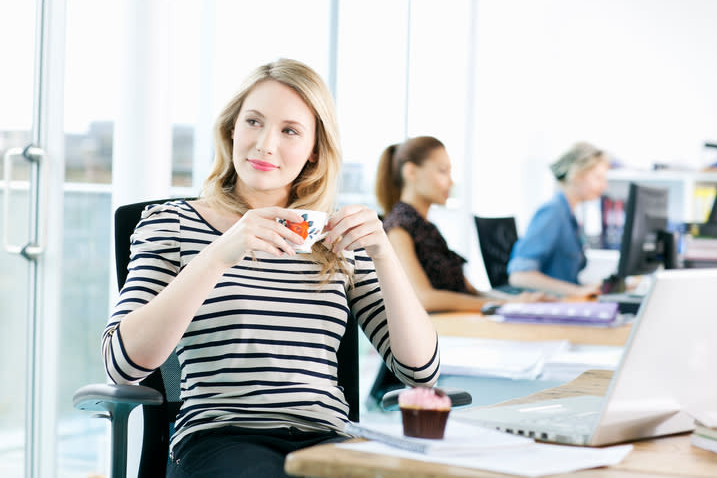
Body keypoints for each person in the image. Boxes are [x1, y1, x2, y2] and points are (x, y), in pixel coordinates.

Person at [102, 59, 440, 478]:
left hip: (329, 438)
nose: (264, 144)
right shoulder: (170, 222)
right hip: (221, 438)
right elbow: (123, 363)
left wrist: (384, 255)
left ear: (314, 149)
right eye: (254, 122)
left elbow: (420, 371)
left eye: (290, 130)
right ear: (231, 129)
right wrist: (221, 253)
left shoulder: (333, 237)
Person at [375, 136, 549, 312]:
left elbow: (471, 291)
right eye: (442, 171)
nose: (450, 182)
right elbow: (424, 298)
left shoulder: (427, 228)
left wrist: (519, 300)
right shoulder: (398, 228)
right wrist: (505, 305)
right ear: (411, 172)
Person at [507, 141, 610, 297]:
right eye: (598, 178)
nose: (604, 186)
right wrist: (577, 291)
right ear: (576, 175)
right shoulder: (553, 212)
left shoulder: (570, 215)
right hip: (547, 308)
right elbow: (520, 276)